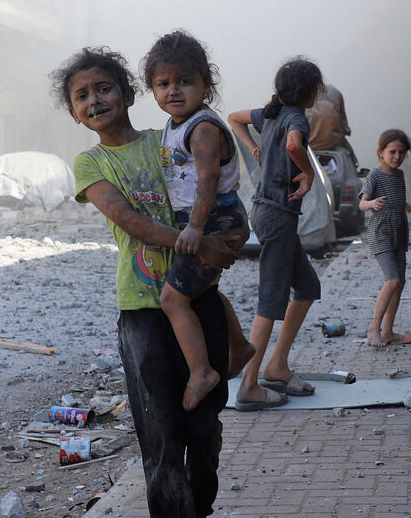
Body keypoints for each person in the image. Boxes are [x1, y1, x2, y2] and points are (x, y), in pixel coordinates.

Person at [54, 46, 242, 517]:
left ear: (127, 93)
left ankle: (200, 507)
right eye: (82, 96)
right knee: (160, 433)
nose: (95, 100)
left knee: (204, 425)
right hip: (141, 309)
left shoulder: (168, 140)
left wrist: (228, 234)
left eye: (104, 89)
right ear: (75, 113)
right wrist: (198, 243)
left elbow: (210, 183)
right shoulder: (90, 164)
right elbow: (127, 218)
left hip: (197, 298)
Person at [141, 31, 256, 411]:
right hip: (207, 217)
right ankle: (239, 346)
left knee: (173, 299)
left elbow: (207, 179)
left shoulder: (202, 127)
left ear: (206, 84)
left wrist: (194, 227)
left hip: (213, 217)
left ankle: (202, 371)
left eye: (184, 81)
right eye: (163, 84)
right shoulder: (176, 124)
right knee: (201, 289)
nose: (173, 90)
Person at [228, 58, 324, 405]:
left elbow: (234, 118)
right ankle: (249, 384)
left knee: (308, 287)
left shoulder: (271, 113)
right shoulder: (295, 117)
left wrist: (252, 146)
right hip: (278, 215)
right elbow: (294, 145)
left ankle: (277, 366)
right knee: (271, 300)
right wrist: (307, 173)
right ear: (311, 93)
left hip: (267, 212)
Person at [359, 129, 411, 348]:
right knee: (392, 280)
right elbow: (361, 203)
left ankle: (388, 331)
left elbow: (401, 204)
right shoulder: (375, 175)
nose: (397, 157)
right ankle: (374, 329)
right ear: (381, 152)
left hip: (399, 233)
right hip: (381, 234)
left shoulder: (400, 176)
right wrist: (372, 203)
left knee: (400, 283)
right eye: (392, 152)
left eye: (401, 153)